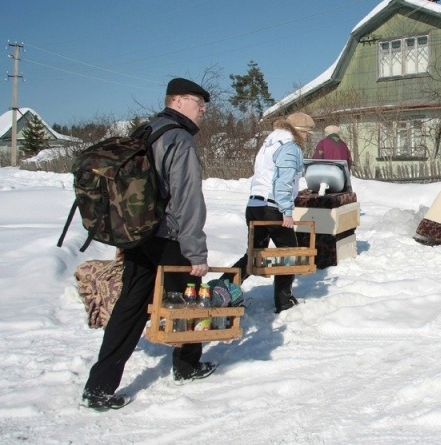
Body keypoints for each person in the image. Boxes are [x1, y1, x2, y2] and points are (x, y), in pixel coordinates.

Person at [82, 78, 215, 411]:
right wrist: (195, 251)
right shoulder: (179, 138)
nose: (203, 111)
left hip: (138, 235)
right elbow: (187, 199)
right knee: (190, 301)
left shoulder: (146, 131)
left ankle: (99, 386)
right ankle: (187, 366)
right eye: (199, 103)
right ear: (180, 101)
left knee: (130, 307)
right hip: (171, 237)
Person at [229, 112, 315, 313]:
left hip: (255, 204)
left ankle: (223, 286)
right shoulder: (290, 147)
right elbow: (282, 182)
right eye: (308, 134)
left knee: (254, 254)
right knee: (288, 253)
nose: (308, 138)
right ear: (299, 131)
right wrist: (286, 211)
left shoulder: (269, 142)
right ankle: (283, 300)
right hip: (273, 207)